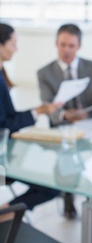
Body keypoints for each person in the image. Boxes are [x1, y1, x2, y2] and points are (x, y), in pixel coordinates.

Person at [0, 23, 62, 219]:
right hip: (3, 160)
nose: (16, 49)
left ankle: (7, 213)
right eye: (12, 44)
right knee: (51, 186)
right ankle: (5, 214)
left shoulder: (2, 73)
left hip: (8, 151)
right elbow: (4, 125)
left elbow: (7, 118)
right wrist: (38, 111)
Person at [37, 23, 92, 218]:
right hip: (63, 126)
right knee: (66, 157)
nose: (66, 50)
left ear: (79, 46)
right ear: (56, 44)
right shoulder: (45, 73)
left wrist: (88, 114)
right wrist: (65, 115)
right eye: (63, 45)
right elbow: (48, 107)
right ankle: (67, 196)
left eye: (71, 46)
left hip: (91, 123)